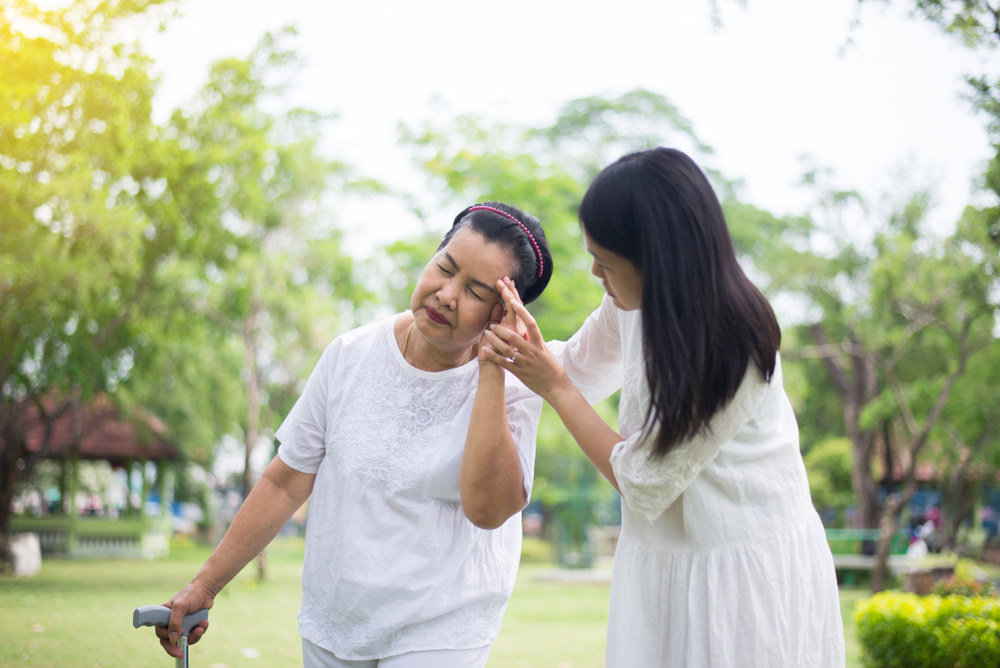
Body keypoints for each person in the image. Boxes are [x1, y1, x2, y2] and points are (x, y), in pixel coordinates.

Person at [483, 148, 845, 666]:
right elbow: (578, 368)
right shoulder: (632, 302)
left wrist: (555, 387)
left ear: (656, 259)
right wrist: (502, 353)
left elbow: (643, 480)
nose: (594, 272)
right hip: (665, 558)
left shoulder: (730, 342)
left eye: (605, 261)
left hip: (737, 569)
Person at [153, 202, 554, 668]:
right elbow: (286, 481)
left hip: (442, 624)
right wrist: (204, 585)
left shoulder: (515, 384)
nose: (446, 294)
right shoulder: (350, 353)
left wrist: (491, 370)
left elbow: (489, 510)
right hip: (336, 618)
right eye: (444, 267)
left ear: (503, 312)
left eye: (475, 291)